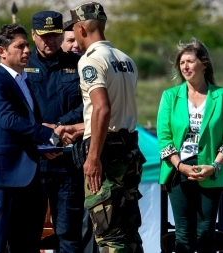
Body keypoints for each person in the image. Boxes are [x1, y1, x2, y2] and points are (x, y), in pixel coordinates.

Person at [60, 2, 146, 252]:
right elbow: (118, 110)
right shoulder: (126, 60)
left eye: (74, 31)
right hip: (129, 150)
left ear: (81, 29)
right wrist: (80, 127)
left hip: (107, 156)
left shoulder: (90, 61)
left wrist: (93, 157)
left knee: (108, 235)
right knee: (129, 233)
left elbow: (103, 108)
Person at [156, 38, 223, 253]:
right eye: (182, 62)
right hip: (178, 170)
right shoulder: (170, 96)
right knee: (183, 233)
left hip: (211, 171)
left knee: (205, 232)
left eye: (190, 61)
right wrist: (179, 165)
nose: (185, 66)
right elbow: (164, 137)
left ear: (204, 64)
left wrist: (215, 166)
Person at [0, 23, 55, 253]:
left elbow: (29, 123)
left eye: (27, 45)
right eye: (20, 46)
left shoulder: (25, 82)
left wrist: (45, 142)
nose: (27, 51)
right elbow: (8, 120)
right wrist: (46, 135)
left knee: (27, 244)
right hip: (3, 176)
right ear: (2, 51)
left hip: (30, 176)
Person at [26, 11, 90, 253]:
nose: (49, 41)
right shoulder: (23, 66)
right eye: (44, 36)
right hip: (32, 166)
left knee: (69, 235)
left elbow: (88, 104)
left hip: (66, 165)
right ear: (34, 35)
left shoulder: (77, 65)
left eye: (54, 35)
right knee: (28, 234)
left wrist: (60, 126)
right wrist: (41, 133)